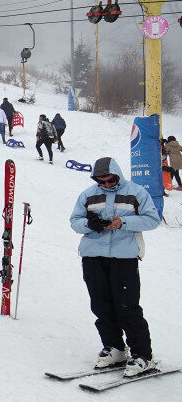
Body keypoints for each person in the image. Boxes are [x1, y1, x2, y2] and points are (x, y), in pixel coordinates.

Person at [69, 157, 160, 377]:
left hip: (124, 258)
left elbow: (152, 220)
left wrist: (124, 222)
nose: (107, 185)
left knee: (127, 307)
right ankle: (115, 348)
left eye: (110, 181)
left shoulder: (136, 192)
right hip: (93, 256)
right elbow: (74, 222)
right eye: (102, 181)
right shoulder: (88, 194)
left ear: (117, 175)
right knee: (101, 305)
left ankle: (142, 355)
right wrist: (90, 224)